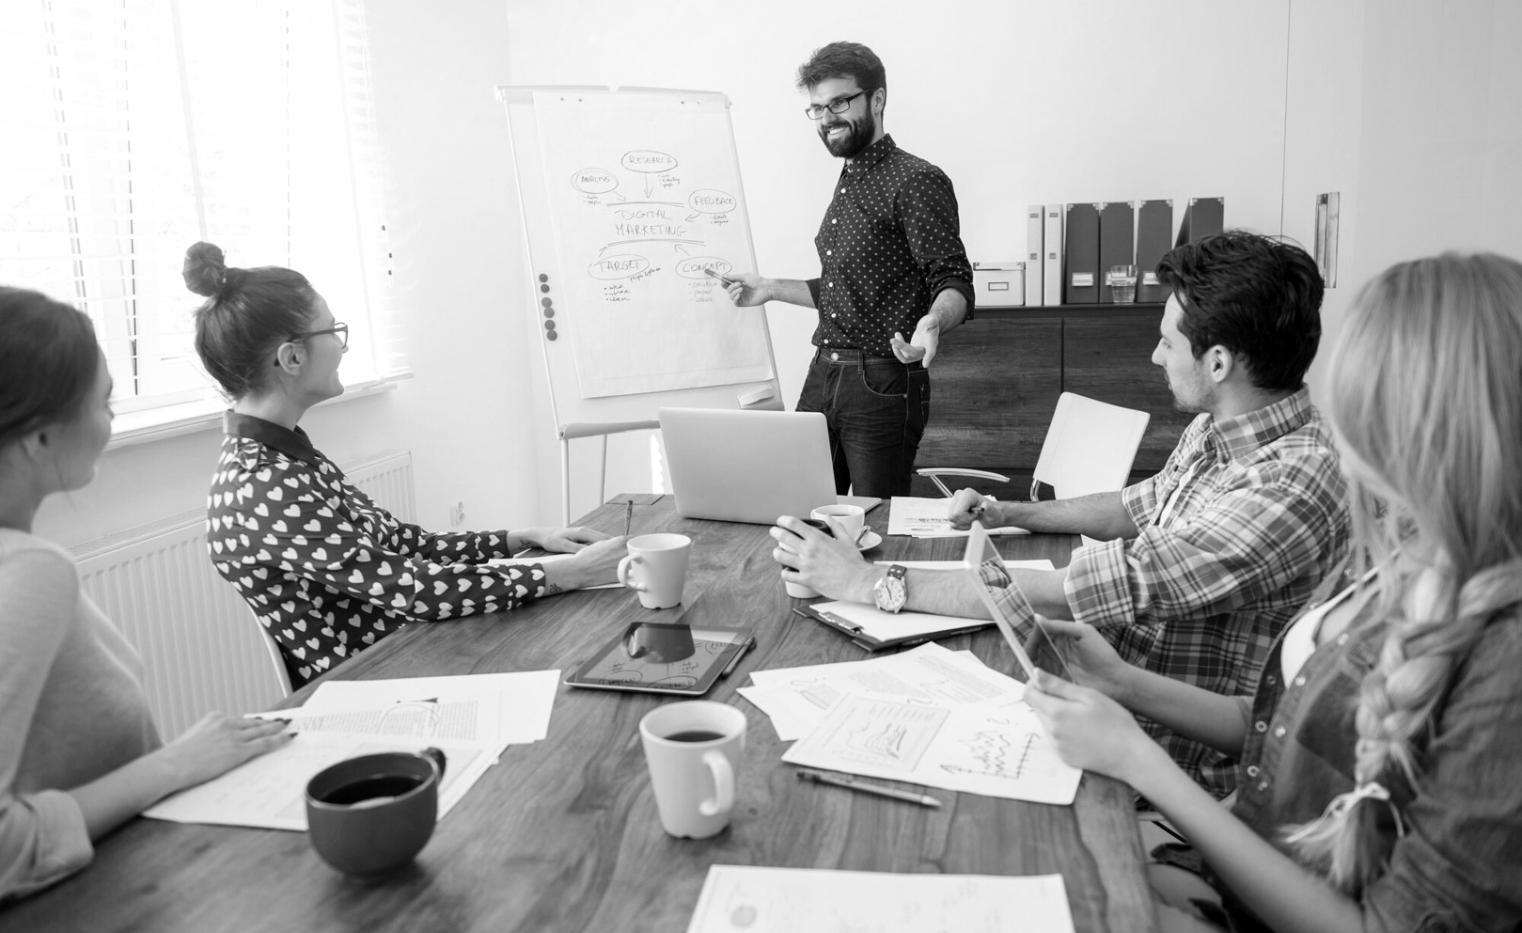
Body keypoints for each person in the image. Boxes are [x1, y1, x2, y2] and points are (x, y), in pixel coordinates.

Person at [1023, 252, 1522, 932]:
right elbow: (1283, 731)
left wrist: (1137, 759)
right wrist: (1125, 682)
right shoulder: (1407, 556)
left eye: (1363, 397)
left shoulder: (1504, 656)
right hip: (1227, 851)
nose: (1338, 418)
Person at [774, 232, 1349, 795]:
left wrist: (866, 581)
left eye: (1168, 343)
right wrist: (1006, 512)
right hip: (1111, 686)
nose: (1155, 355)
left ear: (1219, 362)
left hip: (1164, 763)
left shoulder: (1287, 484)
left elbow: (1076, 589)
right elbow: (1133, 506)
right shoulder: (1222, 428)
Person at [185, 242, 626, 687]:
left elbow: (403, 545)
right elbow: (414, 590)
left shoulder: (284, 456)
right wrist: (567, 573)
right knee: (587, 653)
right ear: (292, 357)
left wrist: (522, 539)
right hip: (388, 685)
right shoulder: (263, 483)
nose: (341, 347)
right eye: (332, 332)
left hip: (416, 651)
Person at [0, 287, 291, 902]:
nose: (111, 422)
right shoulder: (27, 572)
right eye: (102, 402)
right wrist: (176, 763)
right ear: (39, 437)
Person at [722, 41, 974, 498]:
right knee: (796, 508)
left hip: (881, 380)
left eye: (839, 102)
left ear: (876, 99)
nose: (826, 118)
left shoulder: (916, 179)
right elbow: (850, 288)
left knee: (875, 520)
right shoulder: (850, 177)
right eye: (817, 108)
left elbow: (953, 278)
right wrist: (770, 287)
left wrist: (933, 321)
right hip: (824, 373)